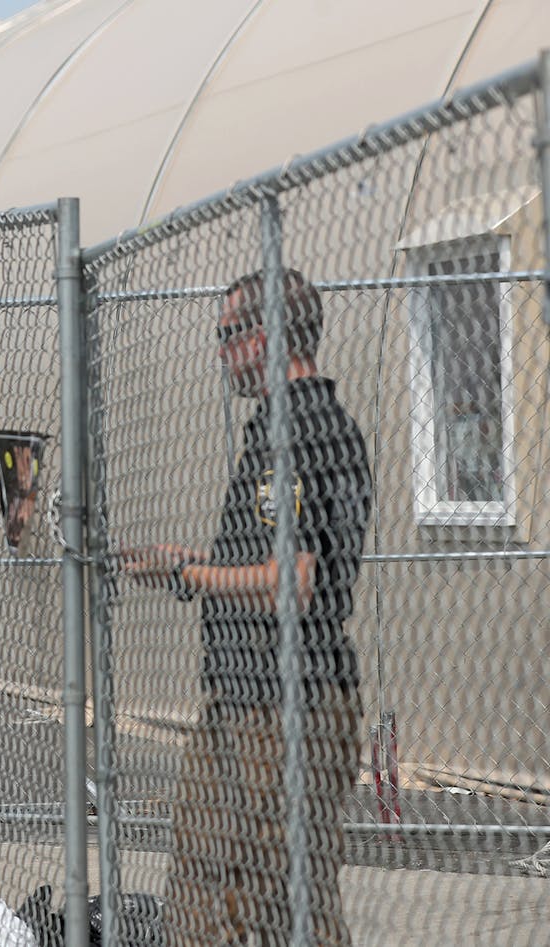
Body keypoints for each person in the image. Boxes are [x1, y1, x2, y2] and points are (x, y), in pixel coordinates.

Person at [122, 269, 371, 945]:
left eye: (229, 334)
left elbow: (295, 580)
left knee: (285, 891)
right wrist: (183, 566)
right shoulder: (277, 428)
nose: (222, 351)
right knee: (205, 878)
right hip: (241, 697)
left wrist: (192, 571)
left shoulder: (305, 429)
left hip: (289, 703)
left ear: (265, 336)